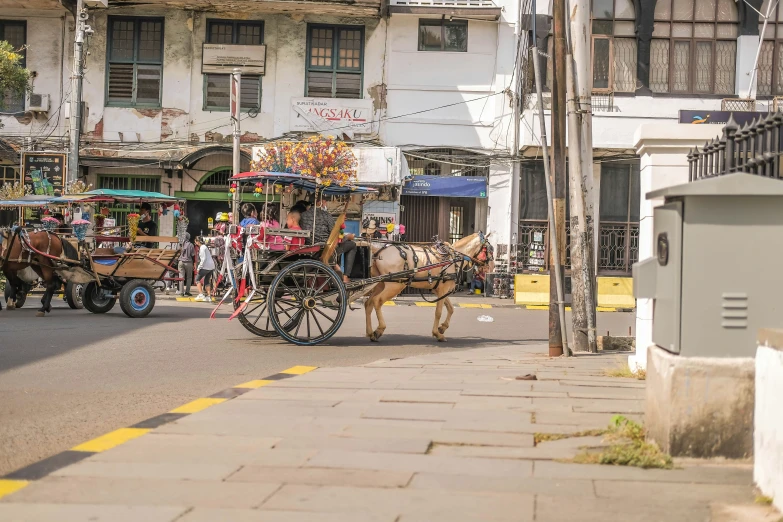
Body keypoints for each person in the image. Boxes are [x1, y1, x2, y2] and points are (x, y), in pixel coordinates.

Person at [299, 200, 356, 282]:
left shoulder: (303, 215)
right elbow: (334, 235)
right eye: (325, 202)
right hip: (326, 248)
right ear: (320, 202)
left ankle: (338, 267)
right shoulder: (326, 215)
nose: (326, 205)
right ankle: (346, 276)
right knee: (352, 245)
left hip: (310, 247)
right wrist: (348, 237)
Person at [194, 236, 215, 302]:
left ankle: (201, 294)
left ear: (197, 242)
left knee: (197, 279)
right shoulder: (205, 247)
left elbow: (203, 259)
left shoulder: (202, 248)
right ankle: (209, 296)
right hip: (211, 267)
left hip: (205, 267)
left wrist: (199, 267)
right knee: (206, 281)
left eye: (195, 241)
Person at [178, 232, 195, 296]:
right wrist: (194, 263)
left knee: (181, 277)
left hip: (180, 262)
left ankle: (181, 292)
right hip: (188, 262)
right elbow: (193, 255)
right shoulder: (191, 245)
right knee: (189, 277)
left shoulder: (180, 244)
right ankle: (187, 291)